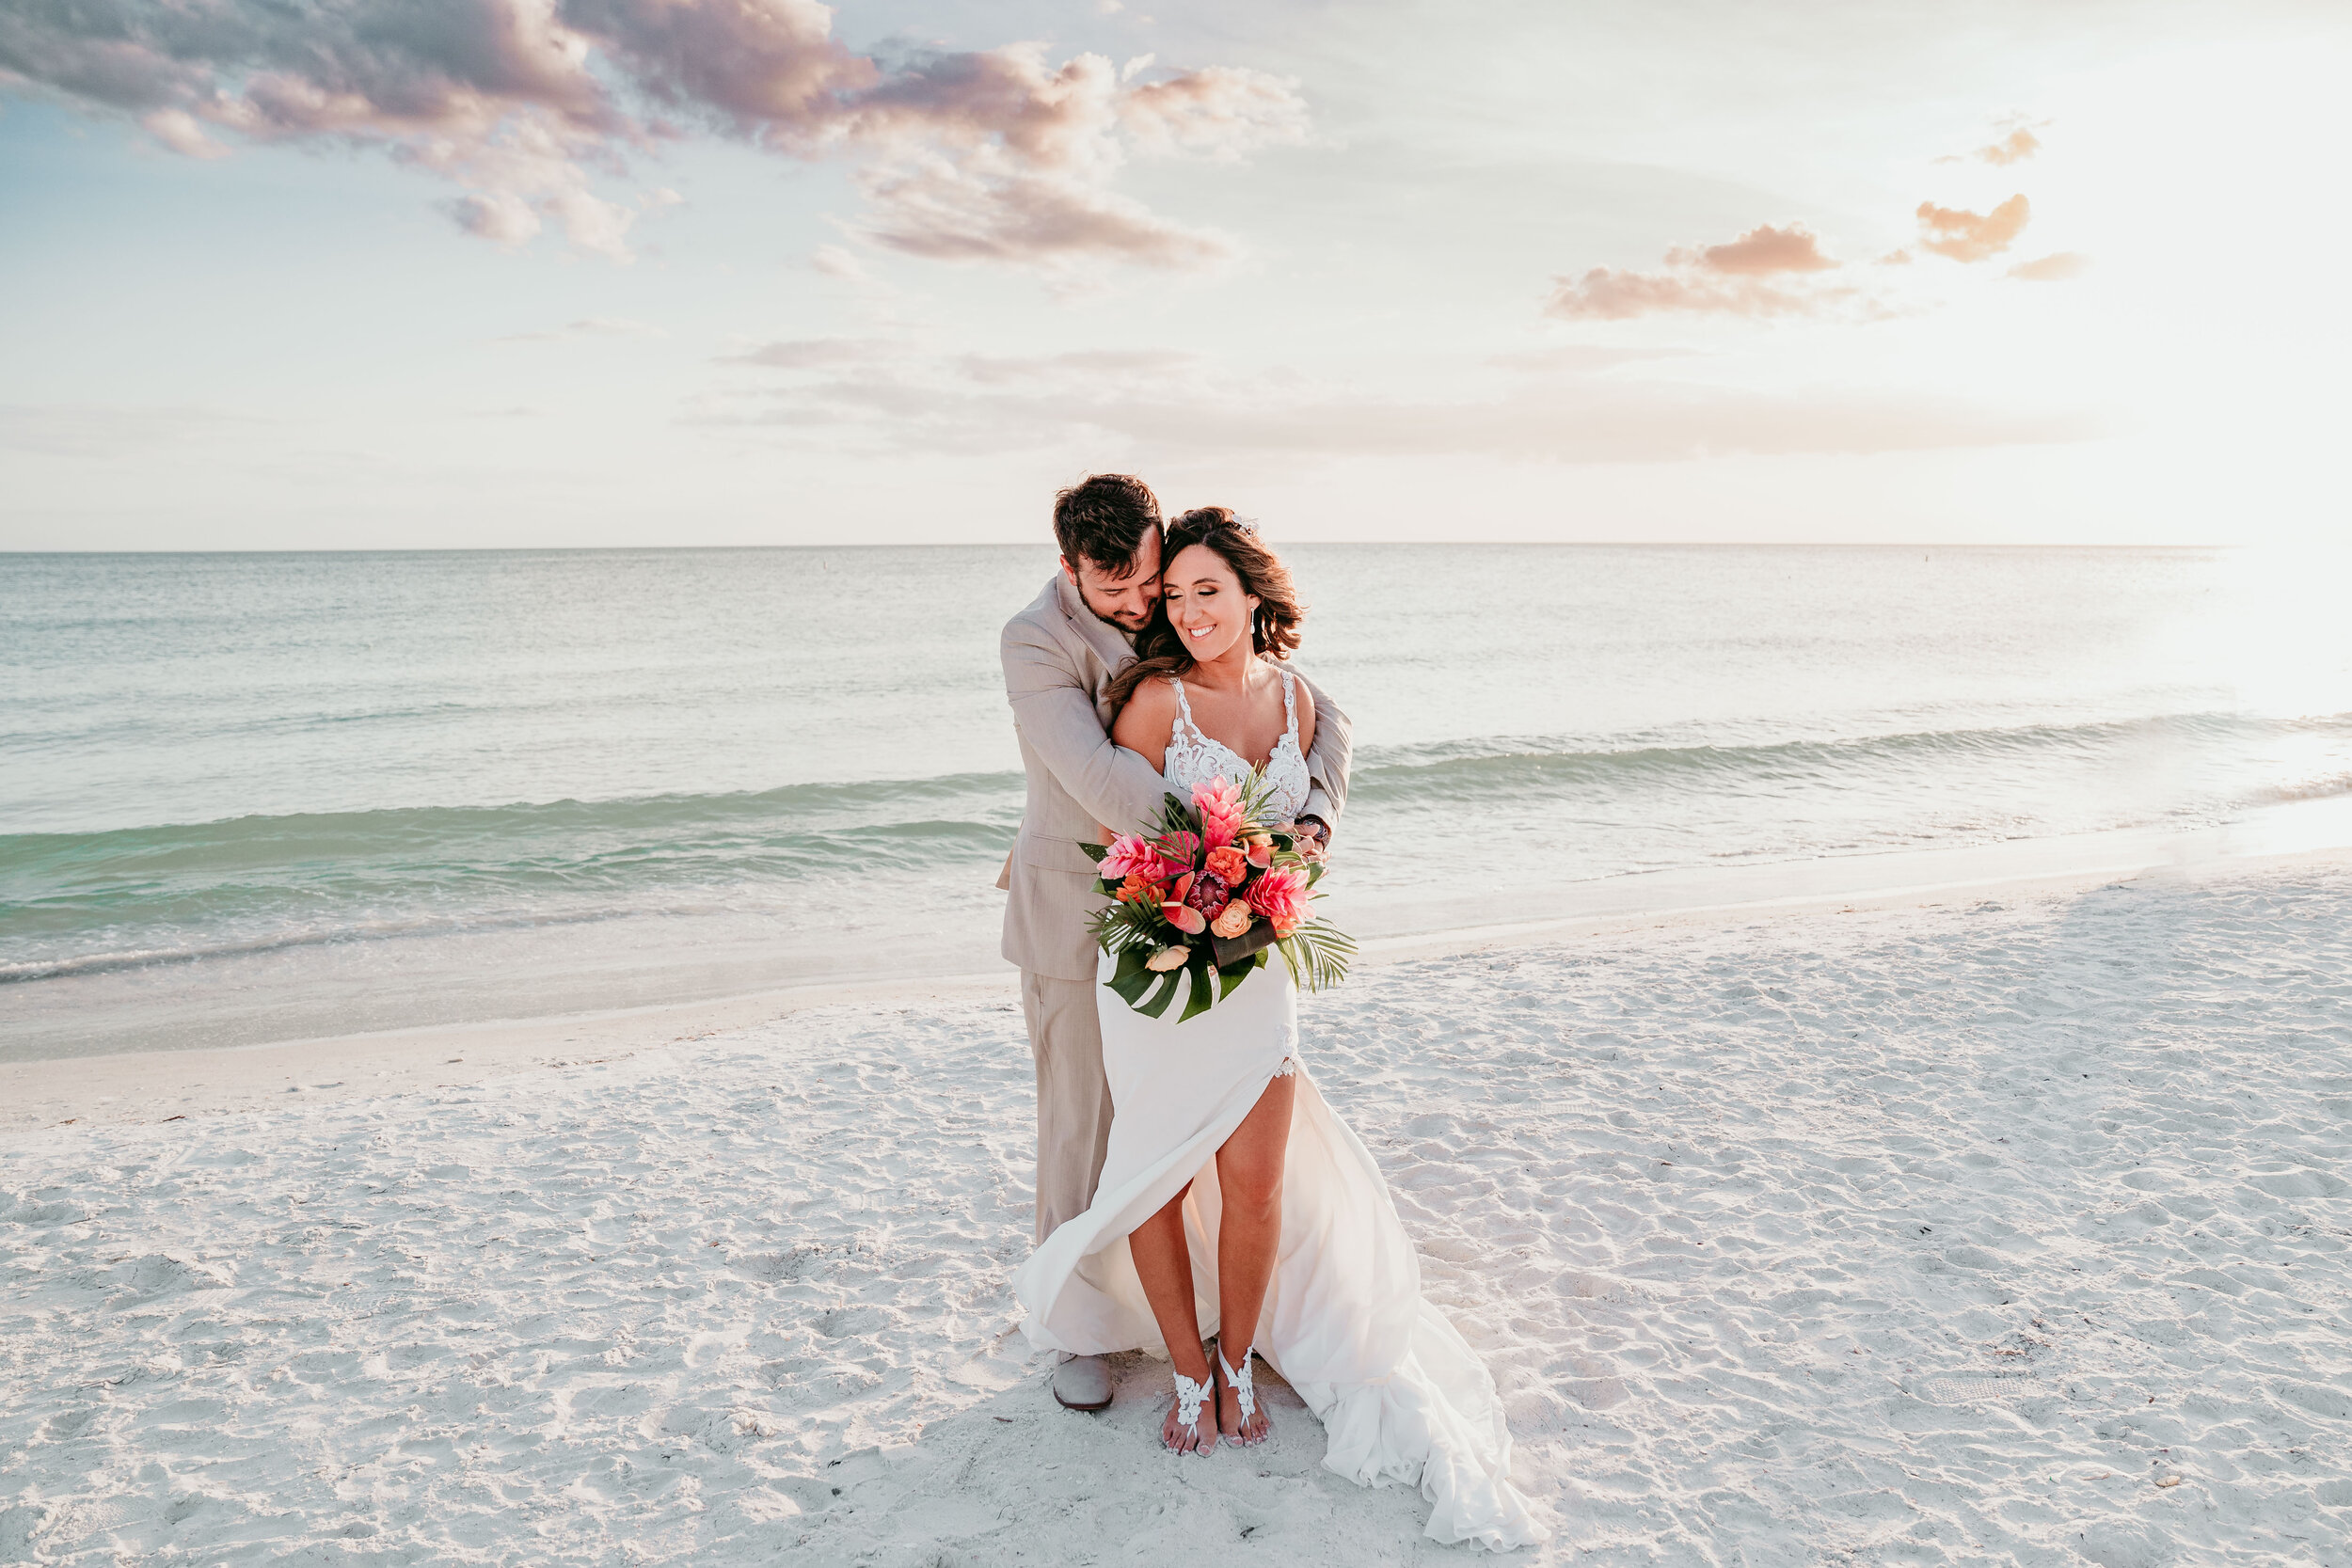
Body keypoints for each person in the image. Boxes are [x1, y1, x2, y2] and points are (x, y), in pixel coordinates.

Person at [1009, 509, 1549, 1551]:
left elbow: (1323, 771)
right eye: (1174, 597)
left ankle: (1237, 1356)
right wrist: (1224, 860)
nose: (1184, 610)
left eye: (1205, 590)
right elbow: (1121, 820)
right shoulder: (1150, 700)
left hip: (1261, 969)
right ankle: (1181, 1369)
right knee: (1157, 1176)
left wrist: (1295, 851)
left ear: (1255, 593)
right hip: (1162, 968)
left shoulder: (1304, 699)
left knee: (1257, 1180)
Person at [997, 476, 1351, 1415]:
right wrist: (1241, 846)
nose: (1140, 603)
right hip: (1082, 909)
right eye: (1114, 590)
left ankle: (1212, 1318)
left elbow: (1321, 713)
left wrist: (1308, 816)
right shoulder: (1034, 639)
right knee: (1083, 1128)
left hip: (1212, 907)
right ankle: (1077, 1332)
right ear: (1068, 566)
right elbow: (1097, 779)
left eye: (1149, 579)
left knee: (1202, 1131)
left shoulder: (1183, 600)